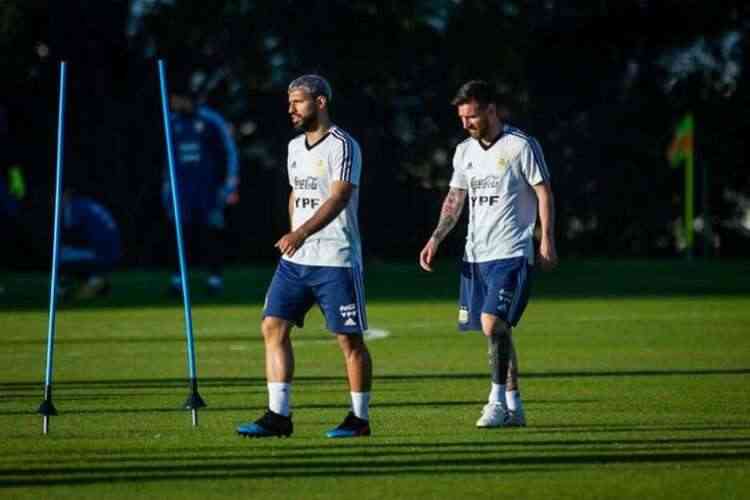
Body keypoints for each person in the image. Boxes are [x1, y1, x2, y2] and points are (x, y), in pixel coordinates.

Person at [237, 75, 372, 439]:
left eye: (298, 101)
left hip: (336, 259)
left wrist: (301, 232)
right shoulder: (295, 146)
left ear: (321, 102)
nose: (291, 108)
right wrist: (293, 231)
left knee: (349, 340)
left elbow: (338, 197)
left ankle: (359, 420)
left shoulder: (344, 145)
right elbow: (297, 193)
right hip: (296, 261)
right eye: (290, 102)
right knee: (272, 326)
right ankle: (278, 416)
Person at [419, 80, 558, 428]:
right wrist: (437, 237)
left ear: (492, 110)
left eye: (473, 116)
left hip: (511, 251)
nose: (466, 124)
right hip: (475, 255)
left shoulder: (520, 145)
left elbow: (544, 193)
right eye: (462, 117)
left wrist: (546, 240)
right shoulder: (464, 151)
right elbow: (455, 199)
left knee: (492, 323)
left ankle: (495, 403)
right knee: (496, 331)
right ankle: (515, 406)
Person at [163, 87, 239, 295]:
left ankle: (214, 279)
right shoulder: (171, 122)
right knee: (179, 235)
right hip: (180, 192)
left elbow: (229, 152)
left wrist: (230, 184)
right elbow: (165, 160)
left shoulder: (211, 121)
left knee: (211, 234)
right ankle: (177, 280)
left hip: (209, 191)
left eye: (176, 98)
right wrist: (166, 189)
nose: (173, 102)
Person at [59, 190, 121, 300]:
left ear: (66, 195)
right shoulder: (85, 203)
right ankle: (96, 281)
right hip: (112, 252)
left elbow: (73, 234)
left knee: (60, 255)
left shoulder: (73, 207)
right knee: (69, 253)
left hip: (102, 254)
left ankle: (64, 290)